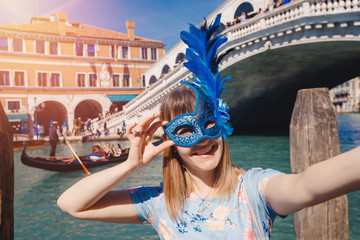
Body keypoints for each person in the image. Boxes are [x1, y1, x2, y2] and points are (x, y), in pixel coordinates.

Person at [57, 14, 360, 239]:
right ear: (170, 140)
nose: (201, 138)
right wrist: (131, 164)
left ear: (223, 125)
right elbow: (71, 205)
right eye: (185, 130)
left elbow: (306, 185)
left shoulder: (255, 190)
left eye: (208, 123)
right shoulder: (158, 202)